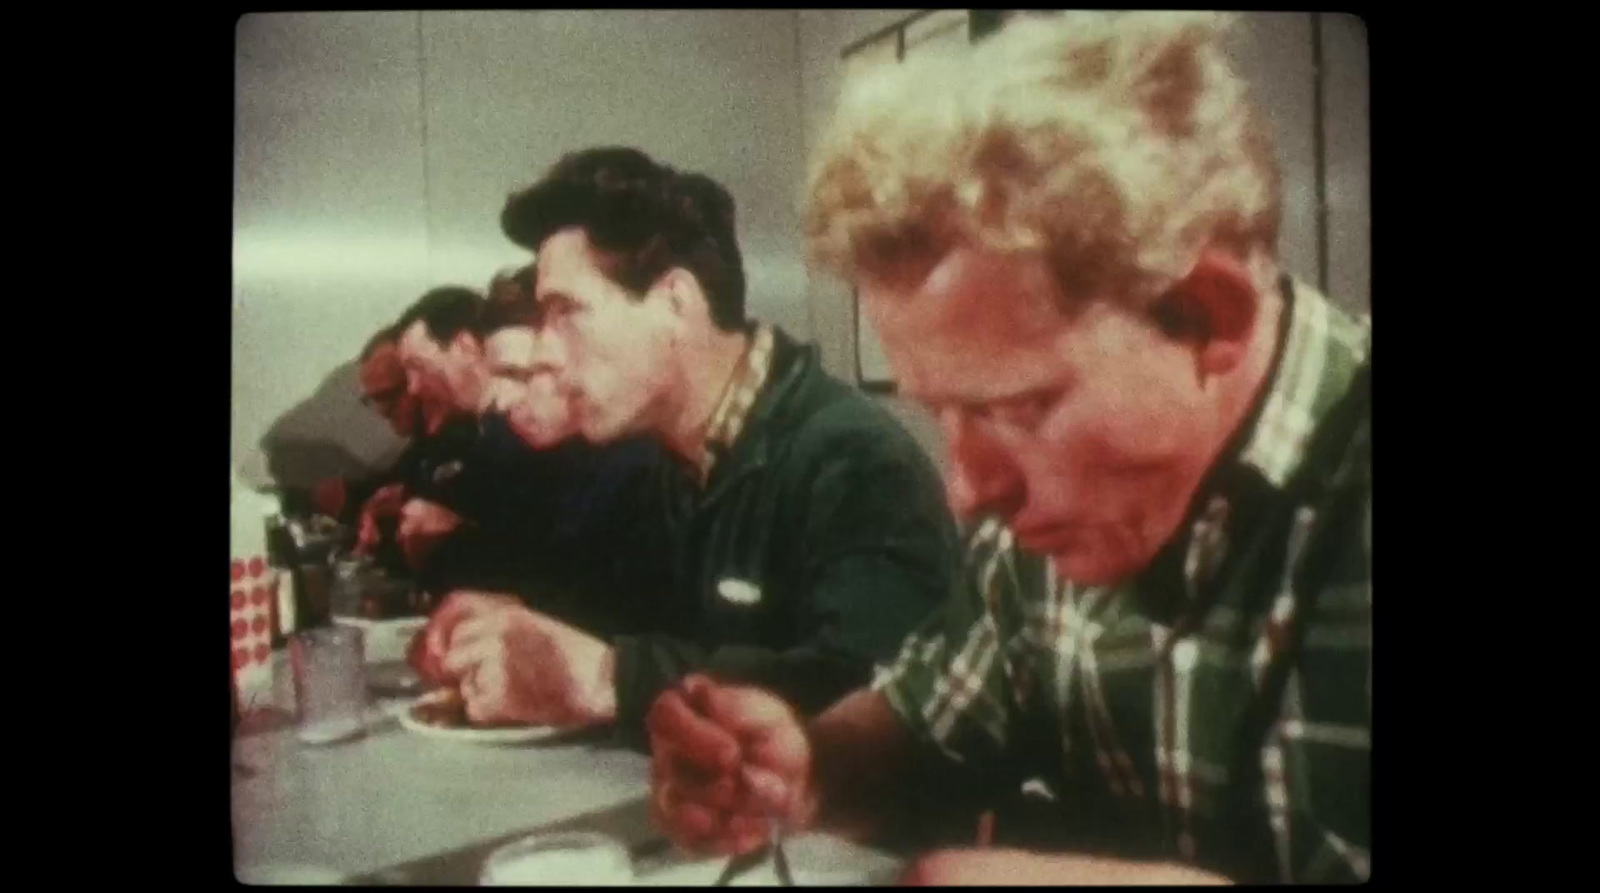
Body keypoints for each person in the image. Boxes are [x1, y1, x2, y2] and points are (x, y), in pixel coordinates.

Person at [645, 11, 1370, 885]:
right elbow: (924, 726)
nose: (966, 489)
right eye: (943, 414)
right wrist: (807, 763)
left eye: (1019, 409)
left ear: (1208, 316)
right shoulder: (1049, 526)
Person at [409, 146, 961, 748]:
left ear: (676, 304)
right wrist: (521, 616)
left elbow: (881, 700)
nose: (543, 354)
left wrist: (606, 678)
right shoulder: (672, 462)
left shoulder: (853, 460)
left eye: (564, 311)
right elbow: (633, 621)